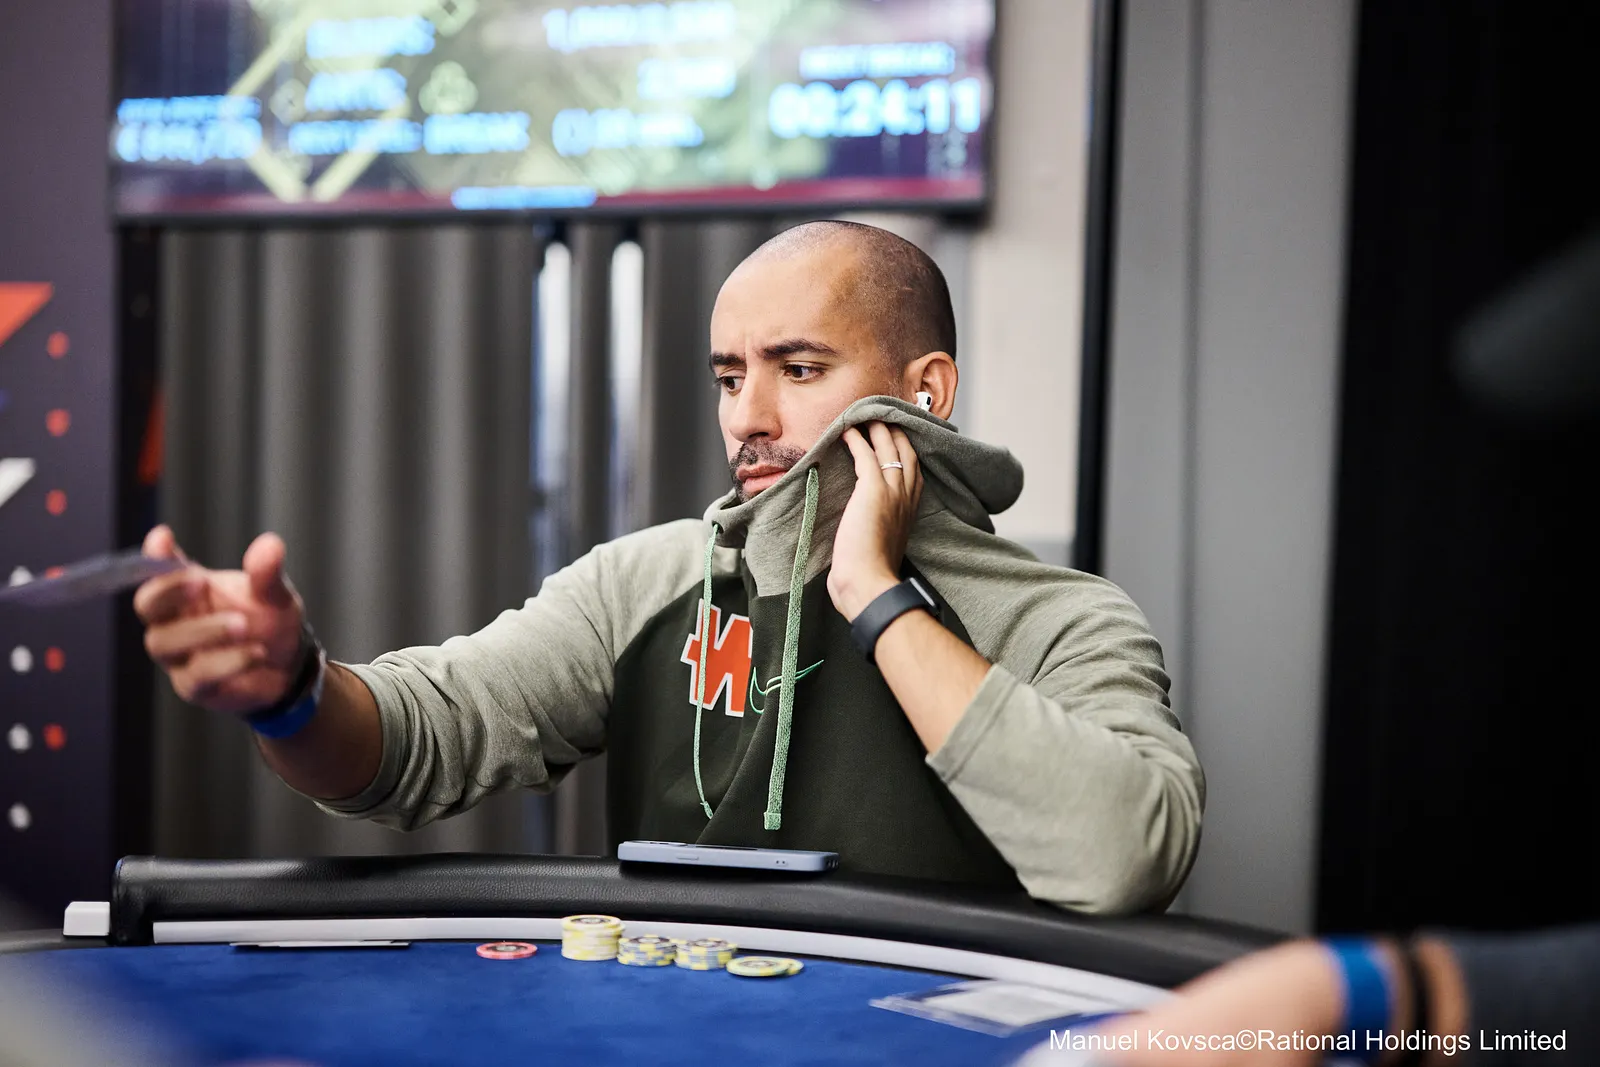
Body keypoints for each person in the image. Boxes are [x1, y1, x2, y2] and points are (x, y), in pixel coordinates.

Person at [134, 220, 1203, 914]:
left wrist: (877, 599)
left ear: (926, 389)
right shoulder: (643, 582)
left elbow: (1128, 855)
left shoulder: (1063, 618)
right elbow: (419, 744)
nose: (748, 417)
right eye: (730, 377)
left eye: (799, 369)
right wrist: (290, 692)